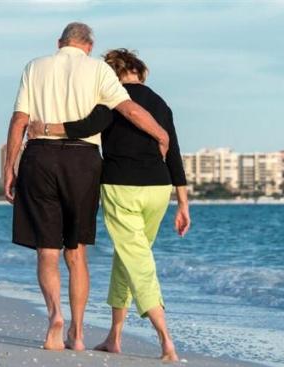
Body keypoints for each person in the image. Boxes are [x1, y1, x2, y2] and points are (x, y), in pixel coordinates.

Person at [3, 23, 170, 352]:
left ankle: (55, 318)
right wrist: (161, 135)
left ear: (59, 43)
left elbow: (19, 120)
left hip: (39, 156)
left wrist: (10, 166)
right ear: (89, 46)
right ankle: (78, 333)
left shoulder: (34, 66)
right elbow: (130, 109)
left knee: (47, 250)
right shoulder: (97, 70)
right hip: (83, 161)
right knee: (76, 252)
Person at [28, 49, 190, 362]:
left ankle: (166, 340)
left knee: (137, 261)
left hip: (121, 186)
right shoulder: (160, 103)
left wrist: (45, 129)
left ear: (111, 75)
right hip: (159, 189)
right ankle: (114, 337)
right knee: (129, 256)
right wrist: (182, 202)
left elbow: (84, 126)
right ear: (139, 71)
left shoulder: (111, 99)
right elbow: (174, 152)